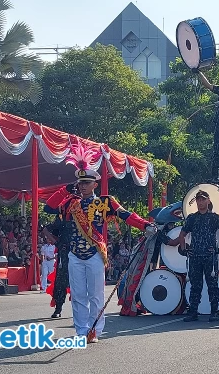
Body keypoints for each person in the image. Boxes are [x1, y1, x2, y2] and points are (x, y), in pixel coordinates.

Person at [44, 145, 153, 342]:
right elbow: (49, 207)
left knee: (95, 295)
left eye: (87, 182)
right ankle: (81, 330)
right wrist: (66, 189)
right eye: (80, 183)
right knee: (78, 295)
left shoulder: (105, 202)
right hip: (74, 254)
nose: (82, 186)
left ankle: (95, 330)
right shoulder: (71, 203)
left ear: (95, 184)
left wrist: (145, 225)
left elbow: (125, 215)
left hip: (94, 253)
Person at [178, 190, 219, 322]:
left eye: (203, 199)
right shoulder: (191, 218)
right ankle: (193, 312)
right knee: (195, 285)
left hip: (210, 256)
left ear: (208, 200)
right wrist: (184, 250)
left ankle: (214, 312)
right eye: (198, 200)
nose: (200, 202)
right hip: (195, 256)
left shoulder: (215, 217)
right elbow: (182, 235)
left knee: (212, 285)